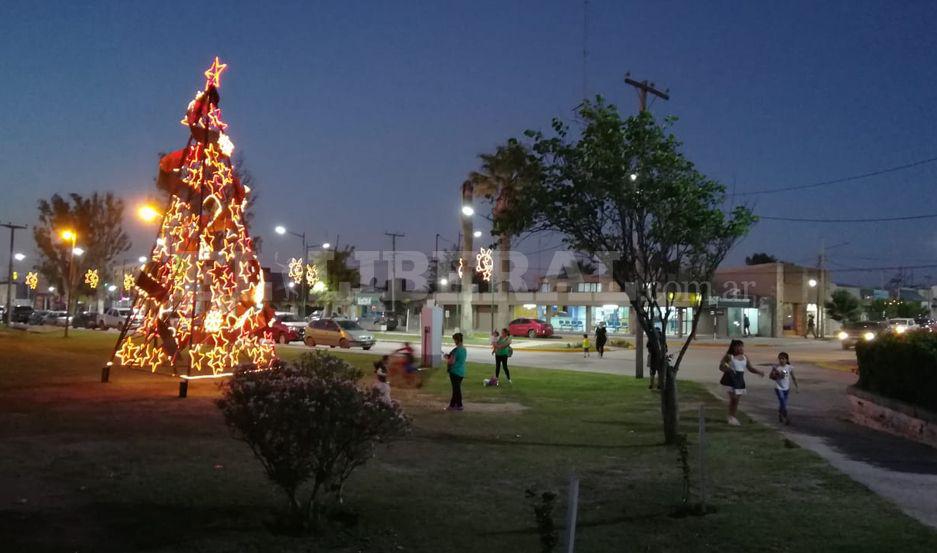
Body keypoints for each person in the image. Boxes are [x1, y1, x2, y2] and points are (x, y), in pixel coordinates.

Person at [718, 339, 765, 426]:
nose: (740, 348)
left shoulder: (745, 357)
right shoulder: (729, 356)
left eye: (741, 346)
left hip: (739, 381)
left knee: (736, 401)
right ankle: (730, 416)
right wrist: (727, 369)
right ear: (734, 347)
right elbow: (721, 366)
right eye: (738, 346)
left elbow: (750, 368)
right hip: (729, 380)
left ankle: (732, 417)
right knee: (733, 398)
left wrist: (759, 372)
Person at [770, 352, 798, 424]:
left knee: (783, 404)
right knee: (782, 401)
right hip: (778, 388)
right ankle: (786, 418)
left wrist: (797, 387)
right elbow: (771, 377)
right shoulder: (776, 367)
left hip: (786, 388)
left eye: (783, 359)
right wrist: (774, 373)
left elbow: (791, 377)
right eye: (780, 359)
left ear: (787, 359)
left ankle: (780, 414)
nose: (781, 360)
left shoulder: (789, 367)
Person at [444, 333, 467, 411]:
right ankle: (453, 405)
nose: (454, 341)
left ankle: (459, 405)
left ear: (456, 340)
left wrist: (447, 359)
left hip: (454, 372)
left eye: (454, 340)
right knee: (456, 389)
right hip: (461, 372)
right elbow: (458, 359)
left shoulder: (456, 350)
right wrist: (450, 356)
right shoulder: (464, 349)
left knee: (456, 390)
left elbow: (452, 362)